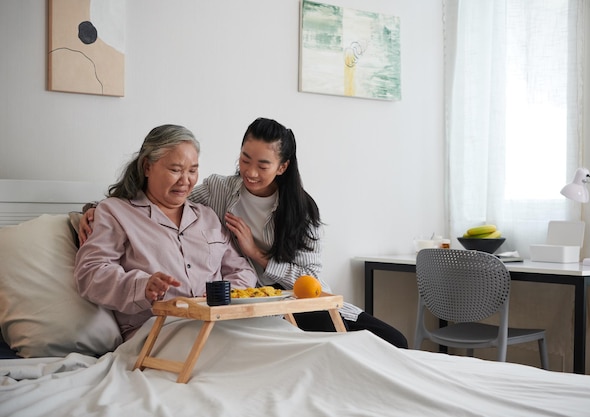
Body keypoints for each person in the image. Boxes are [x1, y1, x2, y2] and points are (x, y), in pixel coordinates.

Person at [81, 118, 408, 348]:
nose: (250, 172)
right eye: (244, 159)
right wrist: (93, 210)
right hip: (184, 326)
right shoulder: (215, 193)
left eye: (192, 170)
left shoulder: (298, 211)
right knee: (307, 354)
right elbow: (137, 216)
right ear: (147, 165)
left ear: (282, 167)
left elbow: (309, 282)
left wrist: (255, 257)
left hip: (280, 306)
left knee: (385, 342)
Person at [74, 124, 257, 341]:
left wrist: (226, 296)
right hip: (159, 333)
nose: (185, 180)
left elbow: (242, 271)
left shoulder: (207, 216)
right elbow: (90, 273)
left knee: (290, 342)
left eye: (192, 170)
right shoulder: (115, 212)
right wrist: (143, 286)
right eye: (175, 170)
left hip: (220, 325)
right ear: (147, 167)